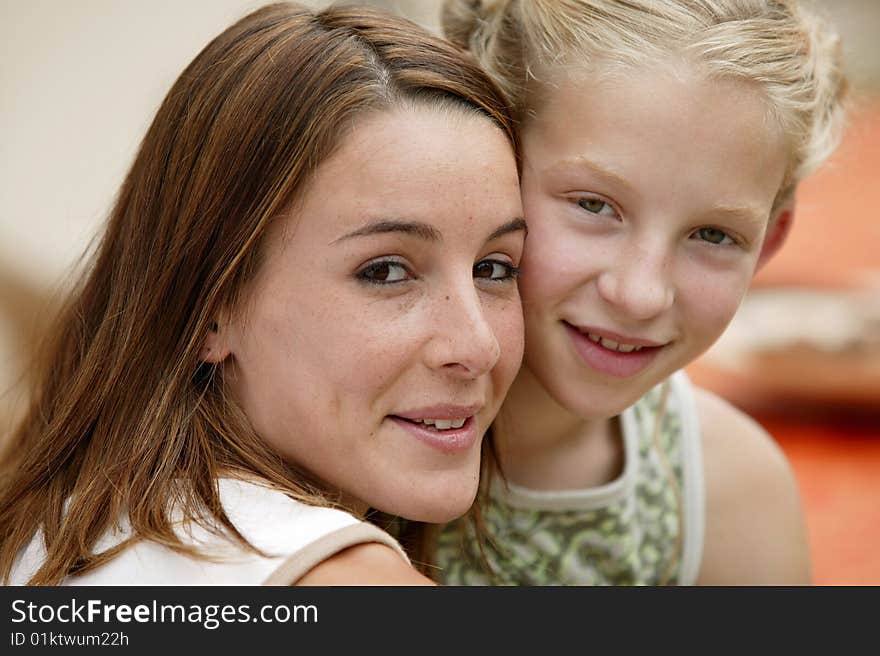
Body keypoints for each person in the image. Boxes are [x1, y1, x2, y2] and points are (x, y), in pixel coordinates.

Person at [0, 2, 527, 586]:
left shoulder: (58, 539)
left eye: (495, 269)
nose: (478, 345)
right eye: (384, 272)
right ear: (209, 307)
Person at [433, 0, 847, 585]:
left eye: (712, 234)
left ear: (770, 242)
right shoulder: (314, 442)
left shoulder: (731, 498)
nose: (640, 295)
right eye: (594, 205)